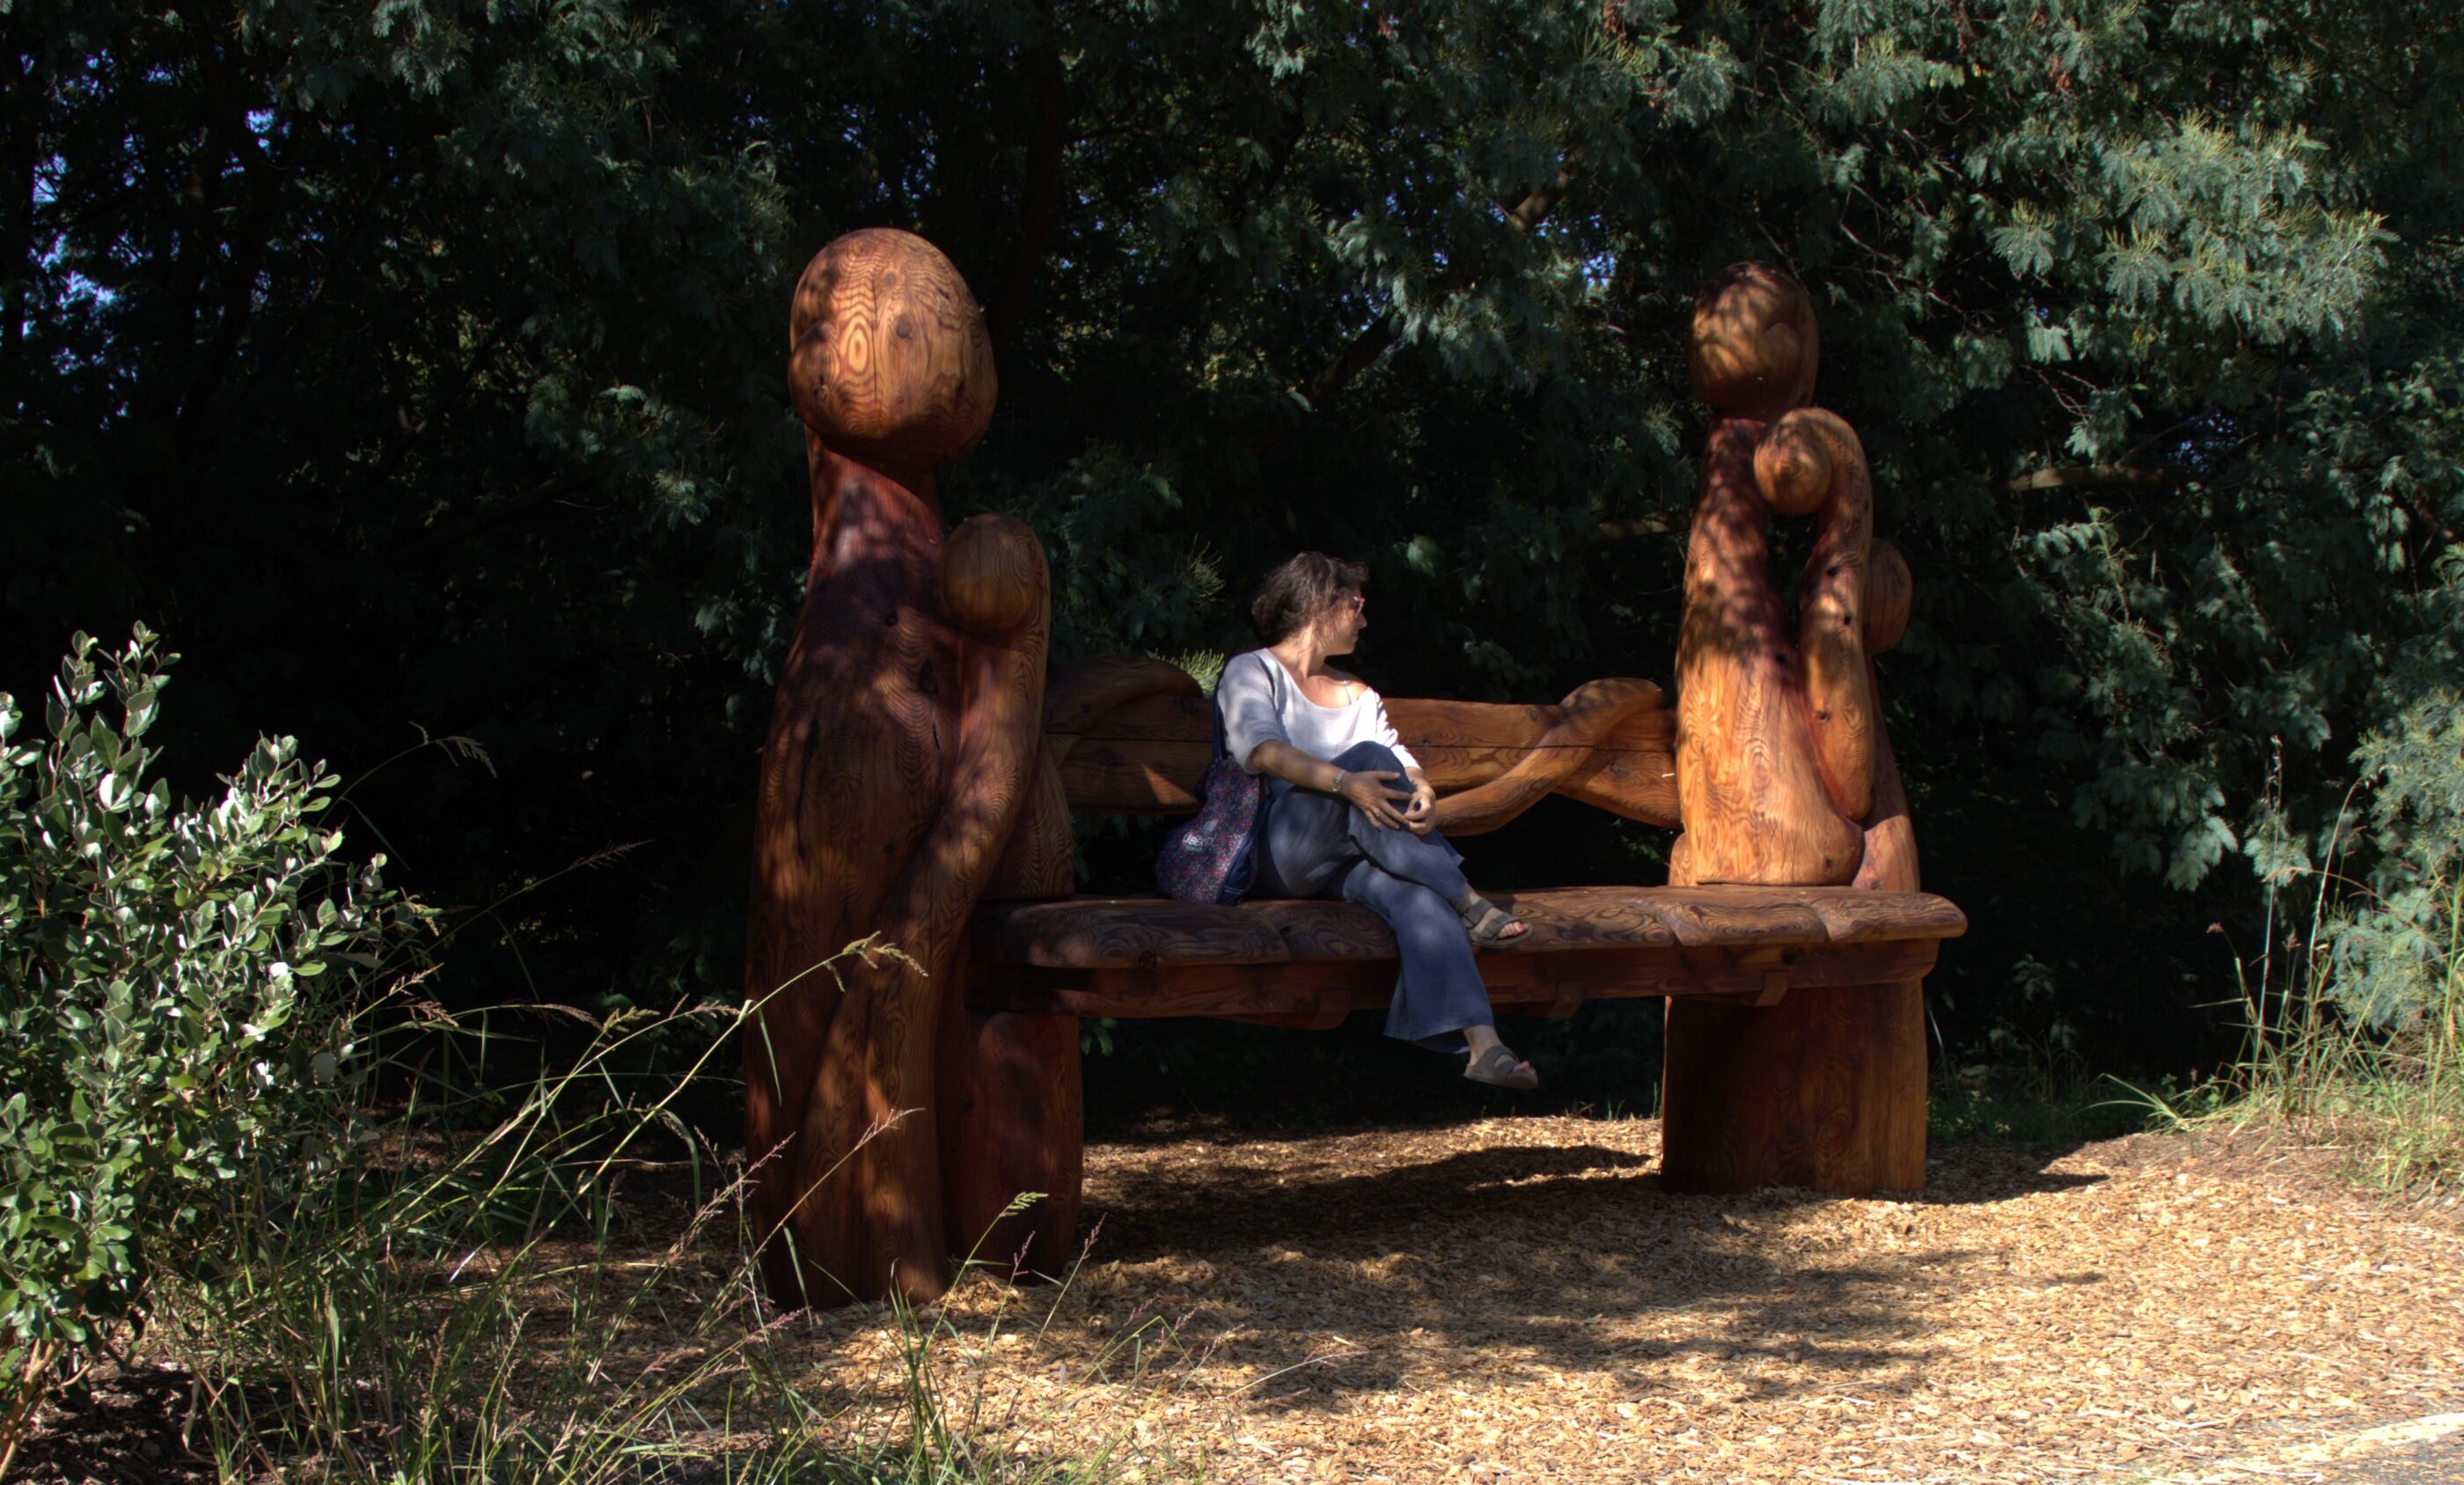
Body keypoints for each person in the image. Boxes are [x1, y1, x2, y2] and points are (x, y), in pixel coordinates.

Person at [1214, 552, 1538, 1089]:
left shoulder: (1358, 693)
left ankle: (1484, 1046)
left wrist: (1425, 788)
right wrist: (1347, 782)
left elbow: (1399, 758)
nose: (1364, 620)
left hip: (1348, 861)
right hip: (1280, 853)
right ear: (1320, 603)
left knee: (1418, 897)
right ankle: (1470, 900)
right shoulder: (1253, 671)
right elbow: (1263, 752)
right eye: (1357, 605)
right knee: (1363, 762)